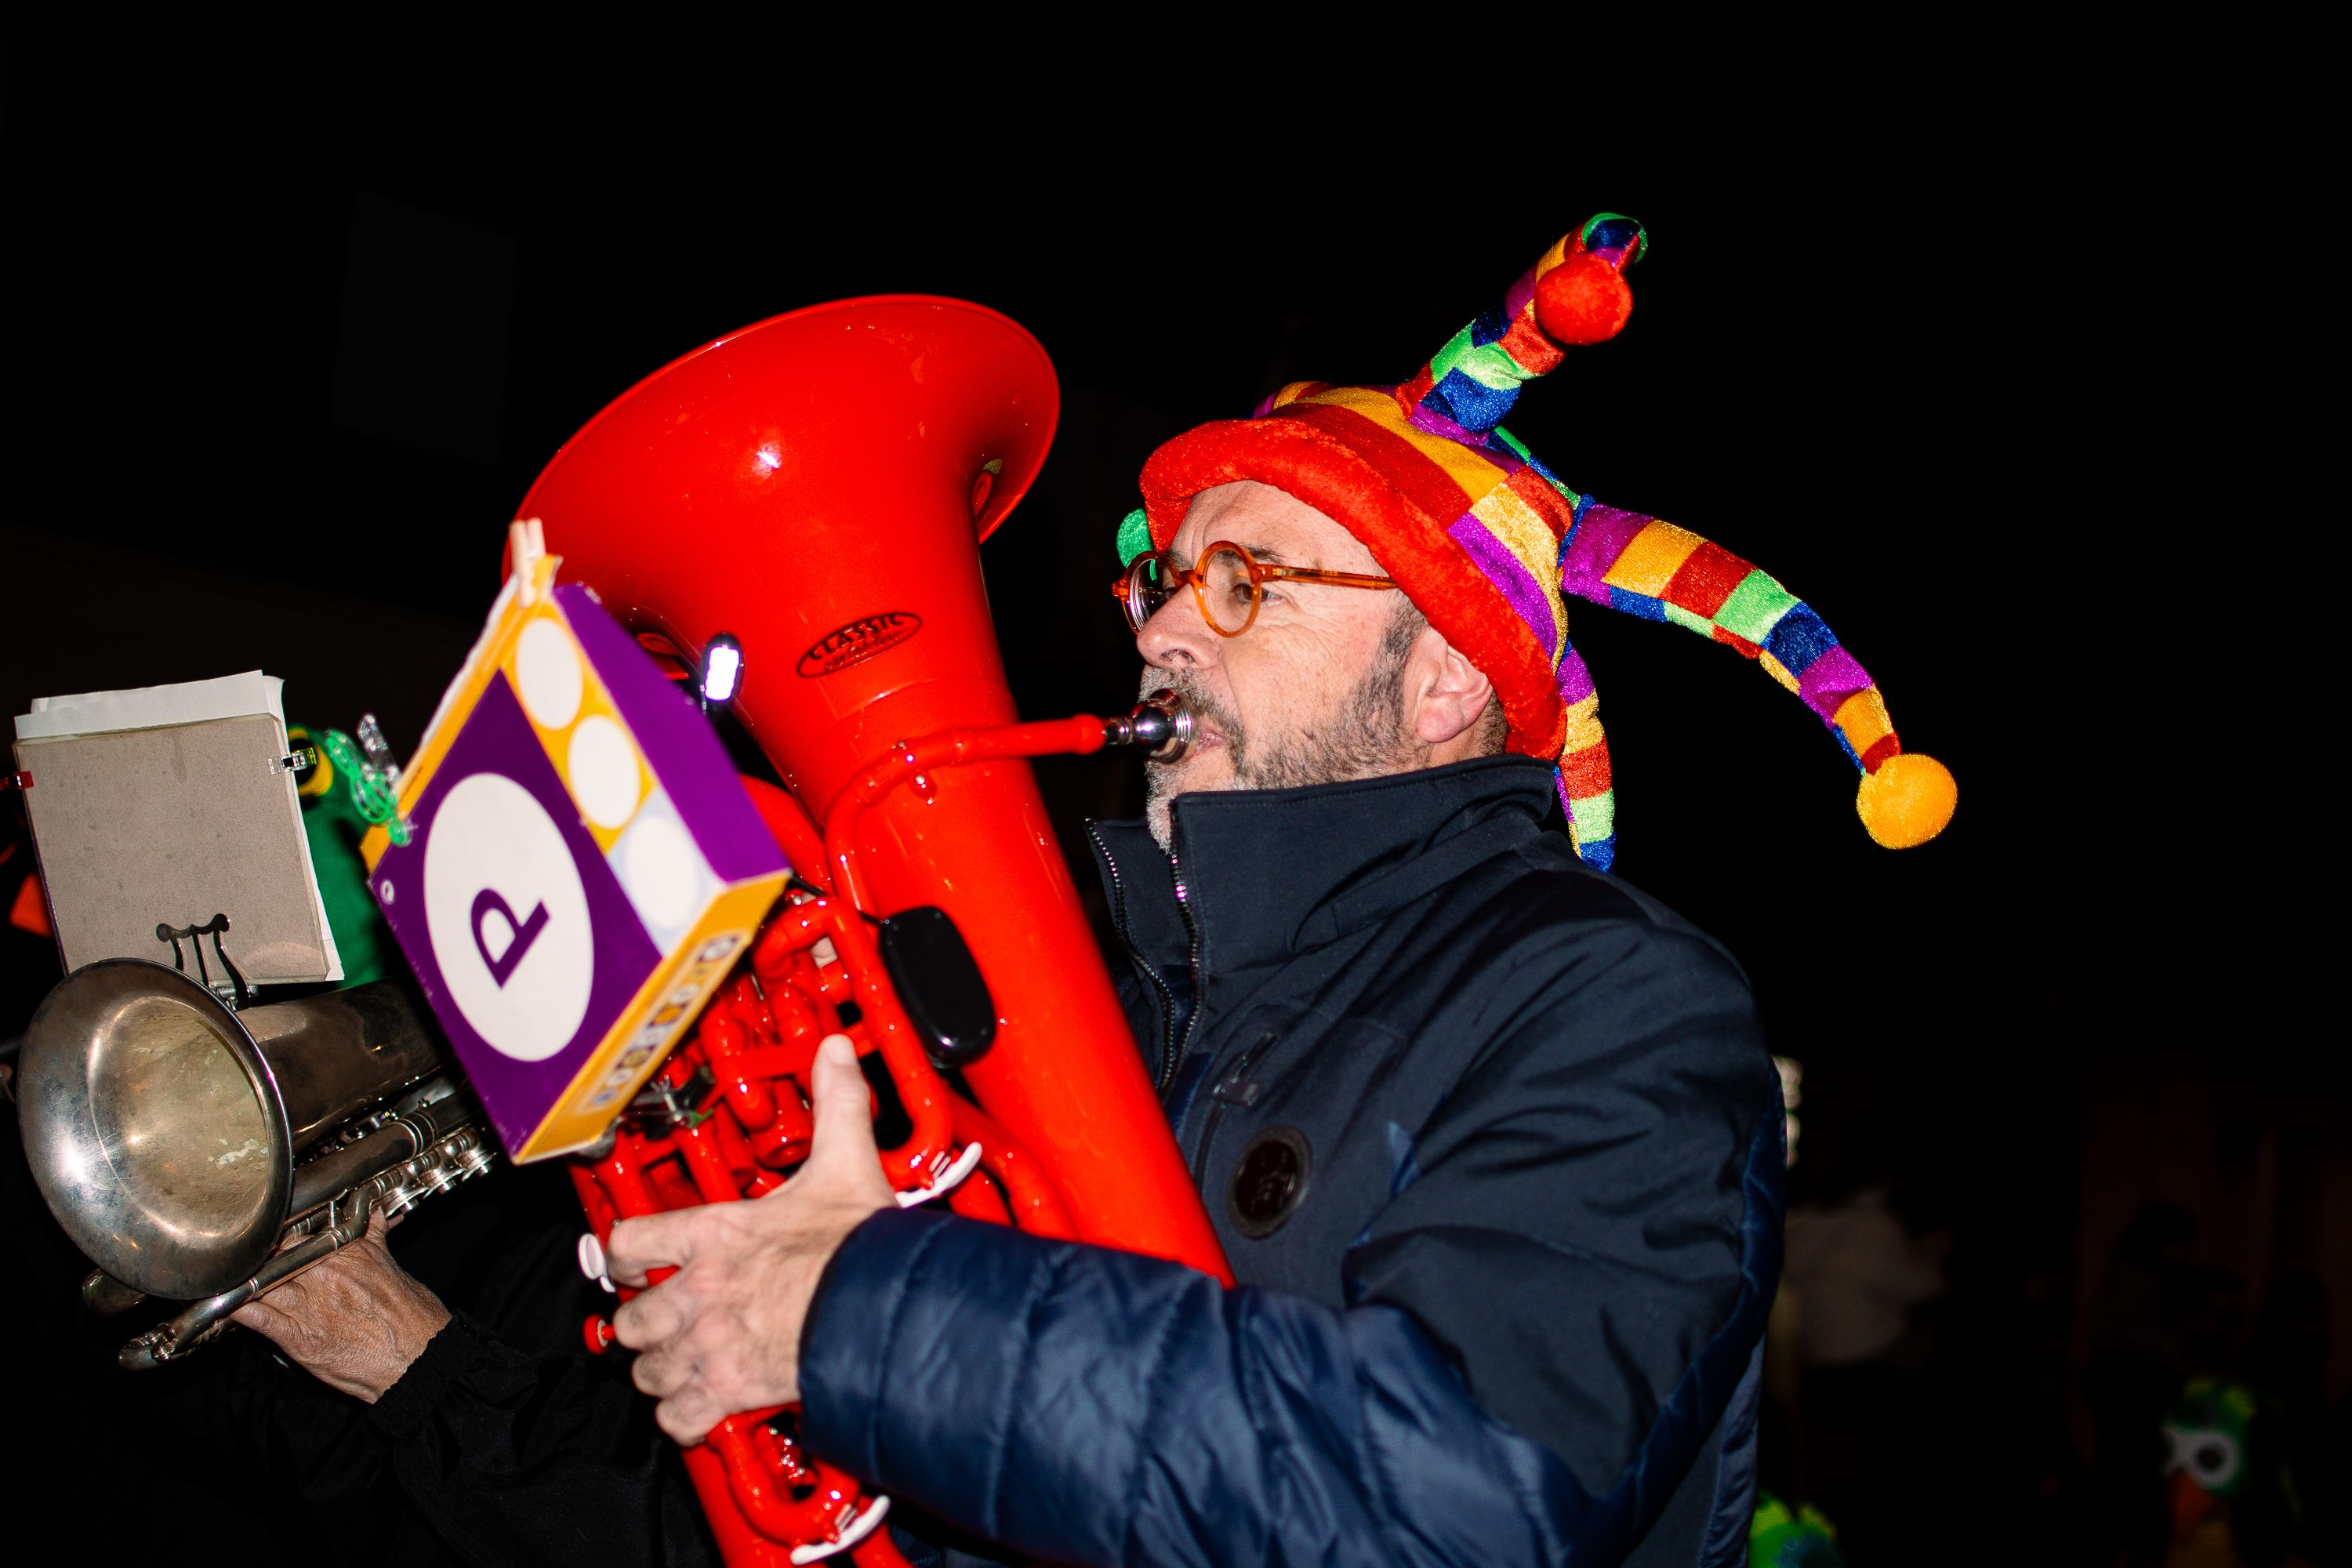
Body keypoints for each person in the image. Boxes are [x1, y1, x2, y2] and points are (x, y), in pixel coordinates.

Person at [234, 216, 1955, 1567]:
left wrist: (859, 1310)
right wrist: (410, 1362)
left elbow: (1458, 1500)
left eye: (1240, 576)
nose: (1155, 621)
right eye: (1156, 577)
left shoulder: (1619, 1002)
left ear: (1443, 680)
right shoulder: (1108, 990)